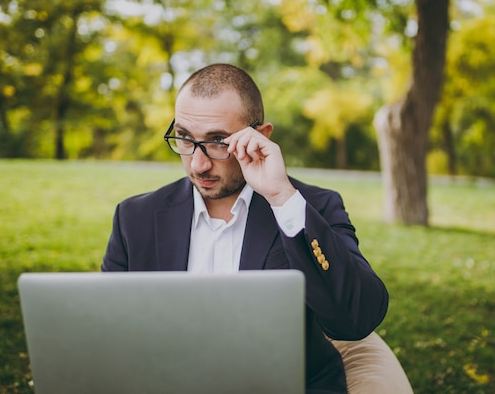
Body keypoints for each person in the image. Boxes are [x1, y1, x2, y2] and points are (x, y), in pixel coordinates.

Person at [102, 63, 389, 394]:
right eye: (184, 137)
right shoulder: (134, 218)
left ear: (261, 136)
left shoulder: (313, 208)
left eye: (218, 141)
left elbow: (357, 319)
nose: (198, 164)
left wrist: (282, 198)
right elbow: (115, 334)